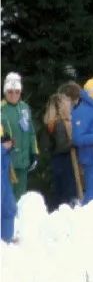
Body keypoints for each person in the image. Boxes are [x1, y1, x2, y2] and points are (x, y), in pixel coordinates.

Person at [1, 73, 37, 201]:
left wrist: (34, 152)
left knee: (20, 197)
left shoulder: (25, 108)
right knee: (8, 198)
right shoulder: (1, 109)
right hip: (7, 162)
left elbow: (31, 132)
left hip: (23, 162)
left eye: (17, 92)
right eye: (10, 92)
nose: (14, 95)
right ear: (5, 92)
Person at [42, 90, 80, 207]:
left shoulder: (50, 122)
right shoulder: (60, 123)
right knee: (68, 190)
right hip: (65, 160)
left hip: (57, 161)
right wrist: (76, 142)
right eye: (66, 102)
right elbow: (62, 145)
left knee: (60, 190)